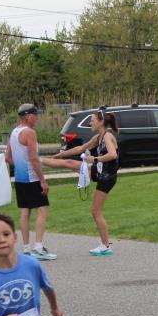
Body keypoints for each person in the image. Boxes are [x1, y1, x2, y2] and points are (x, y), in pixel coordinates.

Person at [44, 110, 119, 256]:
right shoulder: (98, 137)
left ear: (101, 122)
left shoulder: (107, 136)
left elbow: (113, 154)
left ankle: (105, 246)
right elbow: (81, 148)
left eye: (92, 120)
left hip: (107, 177)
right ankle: (38, 161)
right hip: (99, 172)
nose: (90, 123)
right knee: (69, 163)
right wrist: (62, 154)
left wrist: (95, 159)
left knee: (95, 211)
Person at [6, 103, 56, 260]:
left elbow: (7, 157)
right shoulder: (30, 132)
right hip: (32, 178)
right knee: (42, 209)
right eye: (35, 115)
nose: (37, 118)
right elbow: (34, 159)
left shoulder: (14, 132)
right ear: (28, 116)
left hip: (20, 178)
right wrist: (42, 180)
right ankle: (38, 248)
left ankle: (27, 248)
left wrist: (21, 167)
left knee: (25, 212)